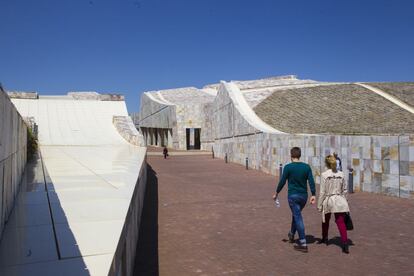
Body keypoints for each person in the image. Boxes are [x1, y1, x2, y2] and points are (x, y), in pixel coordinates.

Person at [273, 147, 316, 252]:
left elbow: (282, 181)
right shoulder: (306, 167)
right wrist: (313, 194)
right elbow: (311, 181)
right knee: (296, 215)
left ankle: (303, 243)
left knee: (298, 217)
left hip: (293, 196)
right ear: (300, 155)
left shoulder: (288, 167)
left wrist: (276, 192)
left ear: (291, 155)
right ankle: (291, 234)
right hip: (303, 197)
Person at [317, 155, 350, 254]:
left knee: (325, 219)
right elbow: (345, 190)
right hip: (340, 199)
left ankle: (324, 237)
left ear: (326, 164)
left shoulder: (324, 175)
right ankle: (345, 243)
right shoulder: (341, 174)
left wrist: (319, 205)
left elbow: (322, 192)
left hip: (328, 199)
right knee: (341, 222)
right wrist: (346, 201)